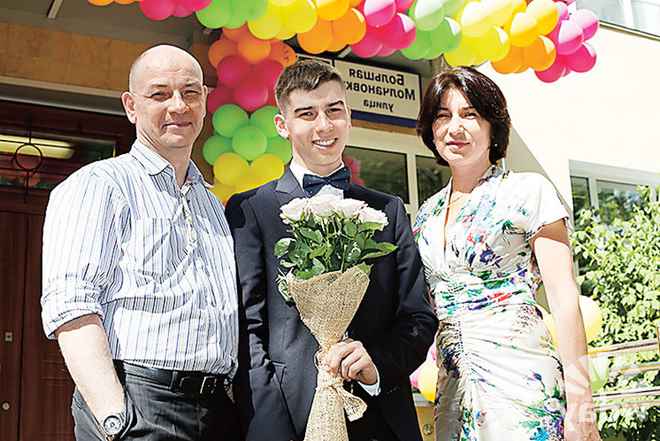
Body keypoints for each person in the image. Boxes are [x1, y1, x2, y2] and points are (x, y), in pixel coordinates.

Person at [225, 59, 438, 441]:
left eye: (334, 110)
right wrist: (270, 429)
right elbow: (247, 330)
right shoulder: (251, 210)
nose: (324, 125)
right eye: (307, 114)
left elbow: (417, 317)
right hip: (289, 418)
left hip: (380, 421)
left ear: (349, 117)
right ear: (282, 125)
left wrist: (377, 365)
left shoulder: (388, 210)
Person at [41, 45, 240, 441]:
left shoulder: (211, 203)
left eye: (190, 92)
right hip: (140, 401)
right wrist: (116, 418)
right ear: (131, 106)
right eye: (159, 94)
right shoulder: (98, 186)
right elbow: (71, 306)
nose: (178, 105)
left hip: (218, 409)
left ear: (205, 101)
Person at [413, 66, 601, 441]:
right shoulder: (426, 214)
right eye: (443, 115)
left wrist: (581, 404)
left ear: (492, 126)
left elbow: (564, 300)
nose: (455, 127)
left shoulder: (528, 191)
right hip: (454, 386)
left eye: (469, 114)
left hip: (521, 377)